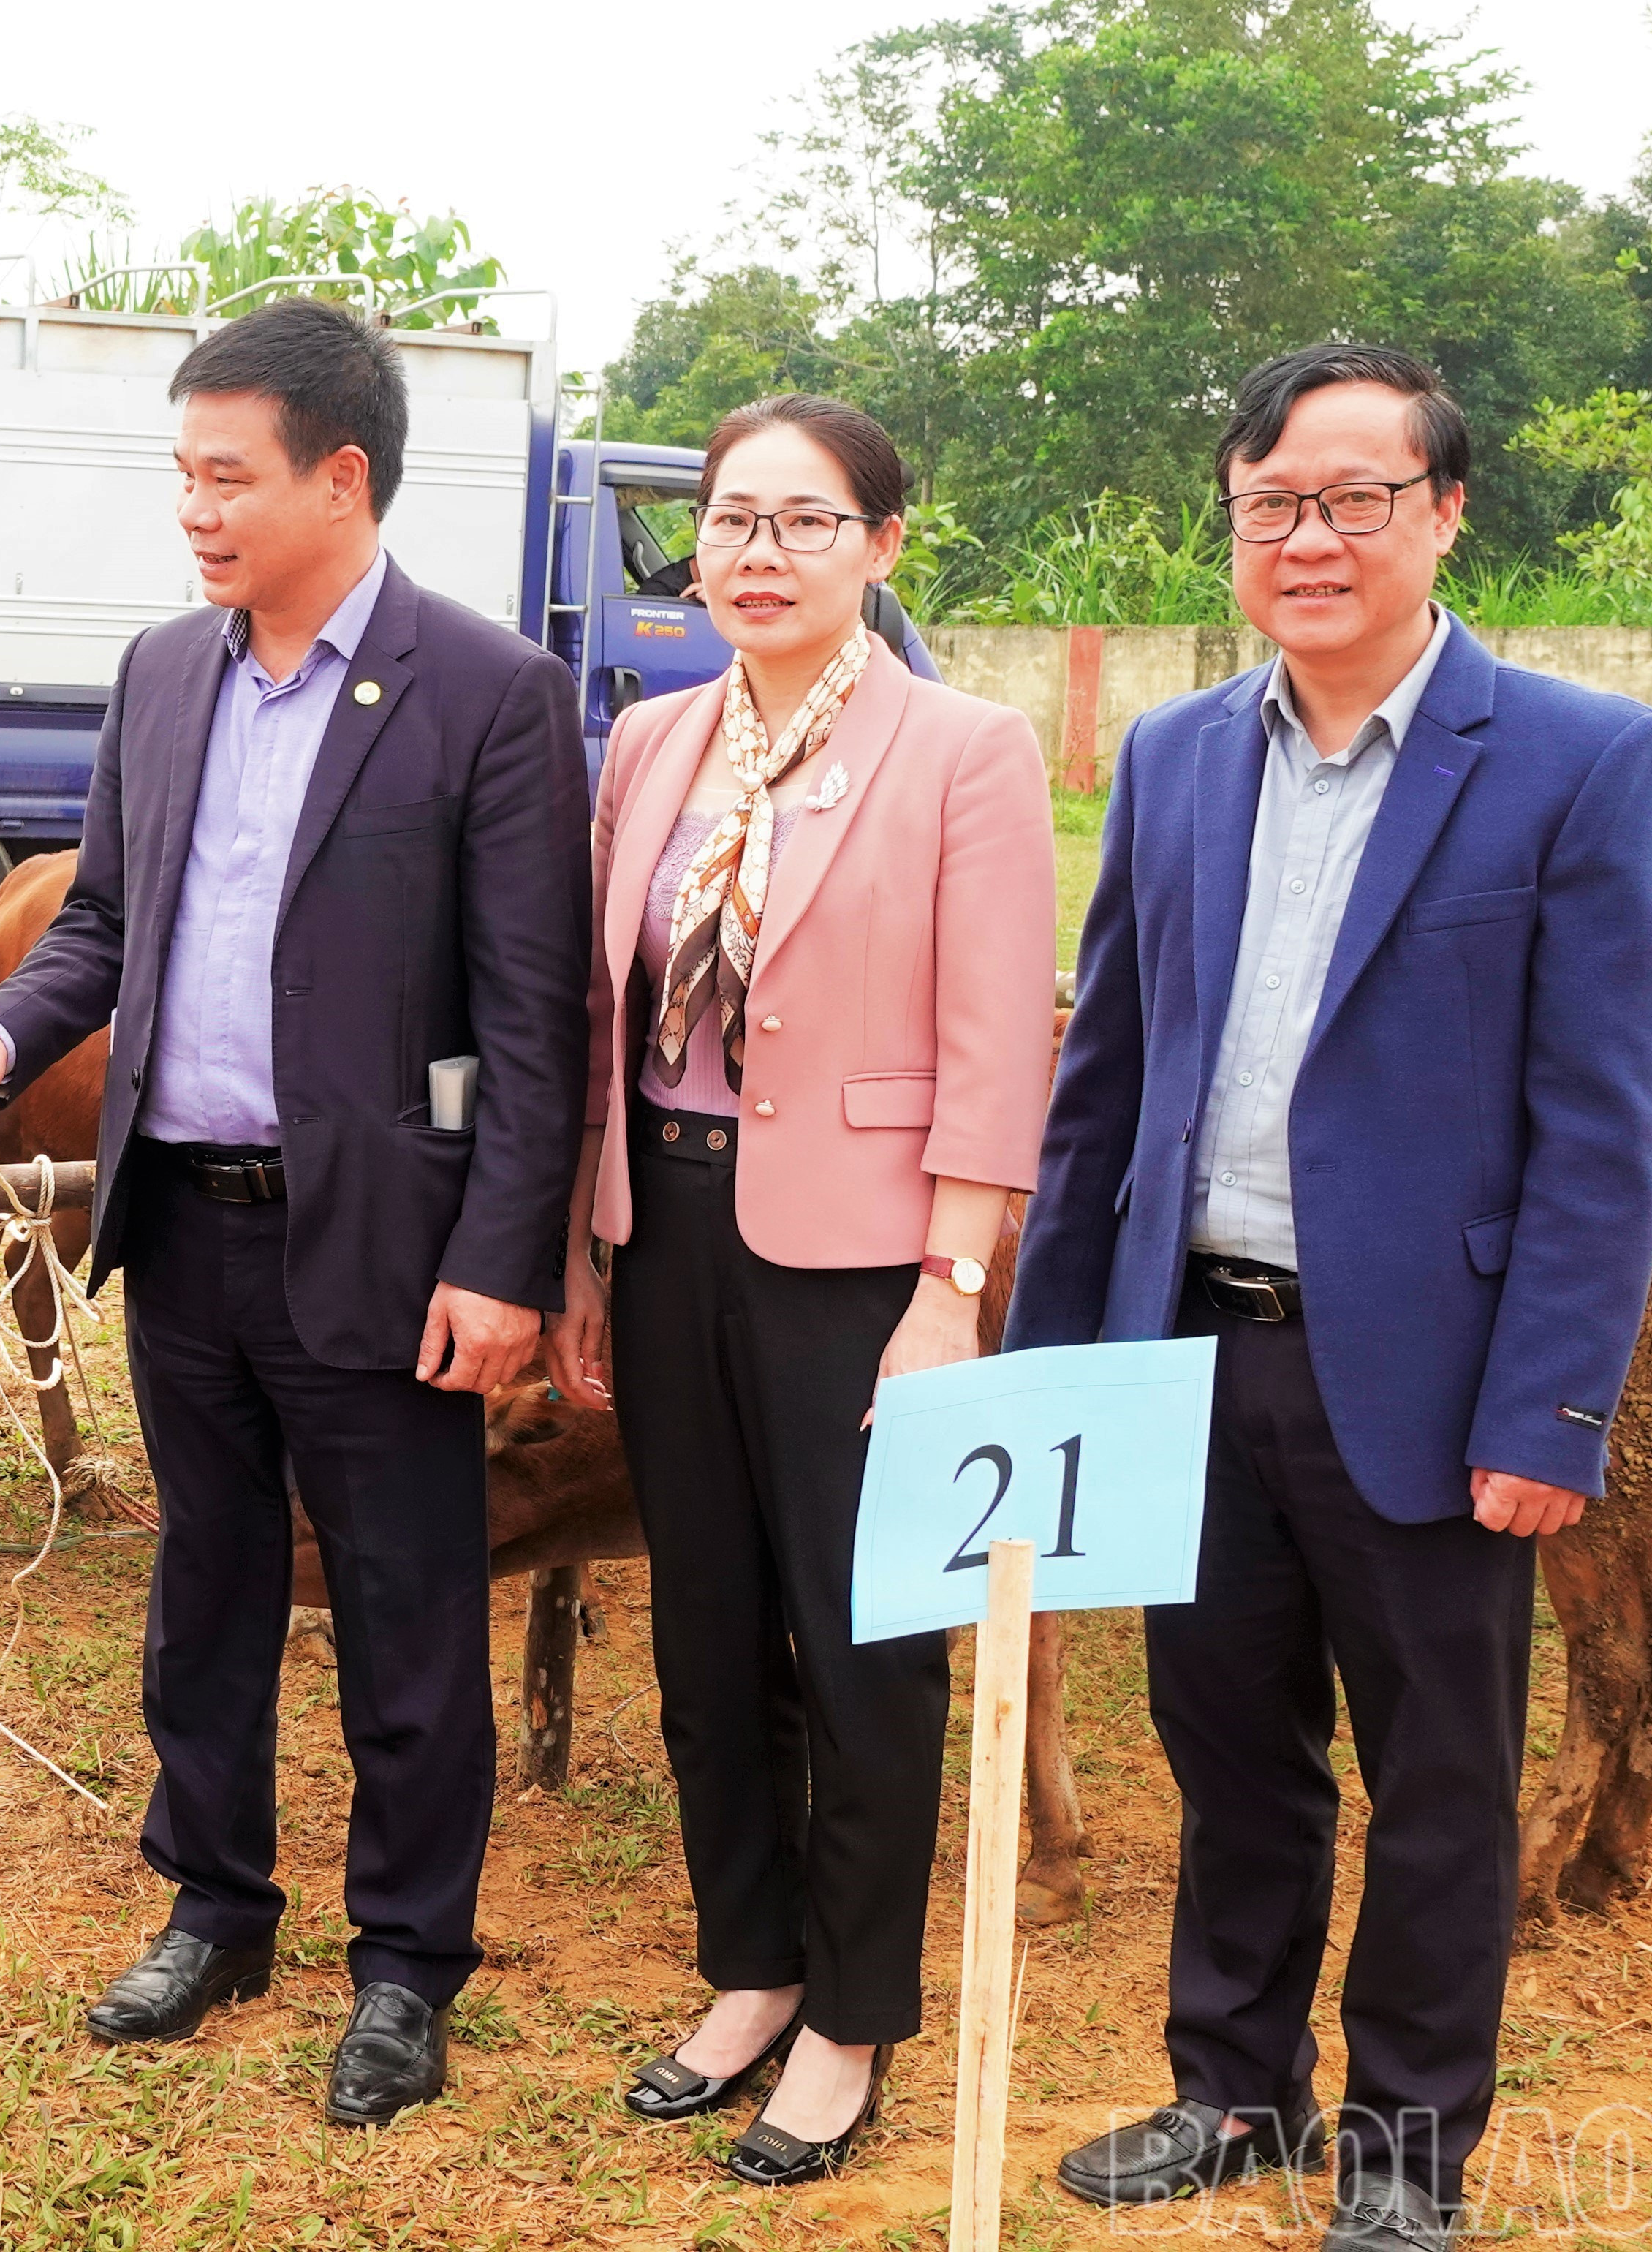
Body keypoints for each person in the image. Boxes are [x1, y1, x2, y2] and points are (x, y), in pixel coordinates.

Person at [0, 298, 586, 2127]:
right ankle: (217, 1902)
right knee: (205, 1587)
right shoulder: (164, 671)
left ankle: (410, 1957)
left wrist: (499, 1257)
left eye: (226, 477)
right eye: (179, 475)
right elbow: (106, 923)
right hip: (182, 1225)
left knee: (408, 1606)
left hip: (384, 1238)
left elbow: (528, 1016)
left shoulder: (487, 692)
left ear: (341, 478)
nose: (193, 511)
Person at [1012, 344, 1652, 2252]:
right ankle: (1234, 2085)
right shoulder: (1171, 757)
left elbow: (1605, 1123)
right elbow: (1106, 1093)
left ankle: (1405, 2151)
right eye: (1273, 504)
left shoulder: (1583, 760)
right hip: (1191, 1355)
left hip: (1428, 1375)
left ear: (1443, 510)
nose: (1310, 537)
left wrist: (1553, 1405)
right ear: (1235, 524)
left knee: (1442, 1786)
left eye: (1354, 499)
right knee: (1228, 1753)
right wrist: (1063, 1373)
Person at [549, 396, 1056, 2185]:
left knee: (864, 1654)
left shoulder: (964, 748)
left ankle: (852, 2017)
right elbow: (607, 1026)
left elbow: (998, 1049)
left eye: (803, 523)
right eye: (733, 521)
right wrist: (590, 1252)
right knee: (704, 1631)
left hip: (863, 1262)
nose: (758, 555)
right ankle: (750, 1966)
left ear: (881, 545)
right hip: (668, 1232)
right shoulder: (653, 743)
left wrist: (951, 1283)